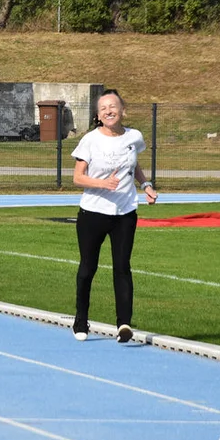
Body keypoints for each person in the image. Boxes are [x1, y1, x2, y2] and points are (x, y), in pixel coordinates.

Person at [70, 89, 157, 344]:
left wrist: (146, 185)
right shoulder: (90, 140)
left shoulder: (134, 137)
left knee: (122, 267)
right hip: (93, 213)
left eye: (113, 107)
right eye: (104, 108)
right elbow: (77, 178)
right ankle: (80, 319)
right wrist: (101, 184)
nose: (109, 111)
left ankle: (123, 325)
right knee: (88, 268)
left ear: (123, 110)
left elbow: (134, 165)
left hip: (125, 213)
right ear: (98, 115)